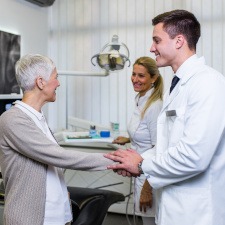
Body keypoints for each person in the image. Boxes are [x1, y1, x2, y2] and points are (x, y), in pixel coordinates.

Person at [105, 9, 225, 225]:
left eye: (156, 40)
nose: (152, 48)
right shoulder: (178, 86)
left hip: (196, 214)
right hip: (172, 207)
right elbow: (167, 146)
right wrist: (136, 160)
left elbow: (194, 155)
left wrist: (142, 165)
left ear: (179, 41)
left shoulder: (208, 83)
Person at [0, 54, 115, 225]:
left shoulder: (37, 118)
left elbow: (48, 167)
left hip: (56, 216)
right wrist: (115, 160)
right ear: (41, 82)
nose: (58, 83)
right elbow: (58, 156)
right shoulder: (13, 119)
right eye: (56, 77)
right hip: (28, 218)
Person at [112, 56, 163, 225]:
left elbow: (160, 148)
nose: (135, 79)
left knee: (150, 220)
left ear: (153, 78)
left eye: (141, 76)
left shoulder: (155, 106)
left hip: (149, 176)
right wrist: (129, 138)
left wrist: (148, 188)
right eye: (133, 74)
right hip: (140, 171)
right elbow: (146, 132)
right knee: (144, 218)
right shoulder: (140, 99)